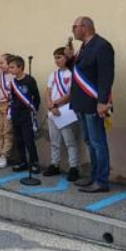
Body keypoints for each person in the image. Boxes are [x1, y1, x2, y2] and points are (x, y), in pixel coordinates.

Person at [66, 16, 115, 193]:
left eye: (75, 26)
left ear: (85, 27)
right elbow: (80, 73)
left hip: (94, 103)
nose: (73, 29)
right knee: (89, 141)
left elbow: (106, 76)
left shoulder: (102, 46)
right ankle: (94, 176)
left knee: (98, 142)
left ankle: (102, 180)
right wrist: (71, 59)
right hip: (81, 102)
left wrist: (102, 102)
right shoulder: (84, 47)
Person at [44, 46, 81, 183]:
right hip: (53, 111)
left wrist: (55, 104)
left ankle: (74, 167)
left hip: (66, 111)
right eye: (55, 58)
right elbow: (48, 90)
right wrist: (49, 104)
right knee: (54, 141)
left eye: (59, 57)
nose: (57, 60)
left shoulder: (71, 74)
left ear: (67, 58)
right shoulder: (53, 74)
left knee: (70, 141)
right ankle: (55, 164)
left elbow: (71, 93)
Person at [7, 56, 41, 182]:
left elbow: (36, 97)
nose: (10, 70)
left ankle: (34, 162)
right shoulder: (13, 82)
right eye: (9, 67)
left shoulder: (29, 80)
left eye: (12, 67)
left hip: (27, 115)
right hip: (16, 114)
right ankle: (23, 162)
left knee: (28, 140)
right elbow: (12, 98)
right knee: (18, 140)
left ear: (20, 67)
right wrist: (10, 111)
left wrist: (33, 110)